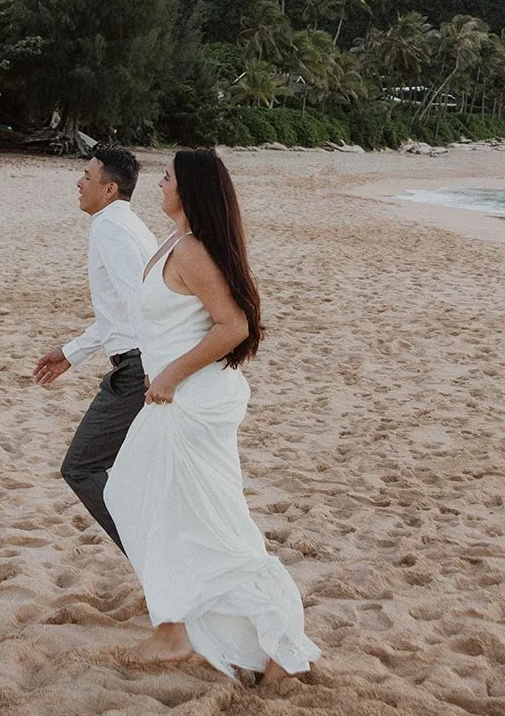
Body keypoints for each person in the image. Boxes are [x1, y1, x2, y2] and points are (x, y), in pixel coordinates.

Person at [104, 149, 319, 684]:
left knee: (213, 523)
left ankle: (272, 644)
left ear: (190, 190)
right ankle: (175, 627)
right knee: (142, 499)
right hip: (174, 399)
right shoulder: (173, 242)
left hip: (190, 402)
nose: (159, 183)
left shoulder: (192, 250)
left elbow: (234, 325)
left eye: (167, 177)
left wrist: (171, 374)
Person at [33, 144, 157, 549]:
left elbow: (137, 303)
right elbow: (119, 313)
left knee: (81, 467)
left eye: (87, 176)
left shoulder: (111, 229)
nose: (79, 182)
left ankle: (150, 558)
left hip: (138, 371)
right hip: (142, 364)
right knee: (135, 473)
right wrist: (72, 353)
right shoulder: (127, 223)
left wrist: (153, 370)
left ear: (109, 189)